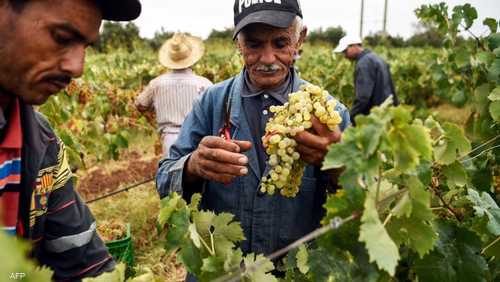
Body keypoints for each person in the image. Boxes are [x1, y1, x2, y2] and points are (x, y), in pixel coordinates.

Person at [156, 0, 350, 264]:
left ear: (300, 38)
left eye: (281, 43)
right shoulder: (211, 102)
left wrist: (338, 166)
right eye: (254, 45)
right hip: (222, 271)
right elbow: (164, 180)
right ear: (238, 42)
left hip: (294, 273)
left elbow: (359, 200)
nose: (267, 59)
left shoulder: (329, 114)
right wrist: (192, 166)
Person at [0, 0, 141, 280]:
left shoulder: (43, 144)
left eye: (86, 47)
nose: (77, 68)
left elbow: (83, 262)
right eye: (62, 38)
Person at [135, 33, 213, 157]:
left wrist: (155, 110)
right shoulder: (205, 84)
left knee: (171, 173)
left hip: (169, 138)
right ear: (191, 59)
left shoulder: (157, 83)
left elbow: (140, 104)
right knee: (196, 173)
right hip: (197, 138)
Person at [334, 34, 398, 125]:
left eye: (345, 51)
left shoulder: (364, 64)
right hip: (385, 114)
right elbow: (392, 88)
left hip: (374, 117)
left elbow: (363, 98)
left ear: (355, 46)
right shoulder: (376, 58)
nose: (345, 55)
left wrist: (350, 118)